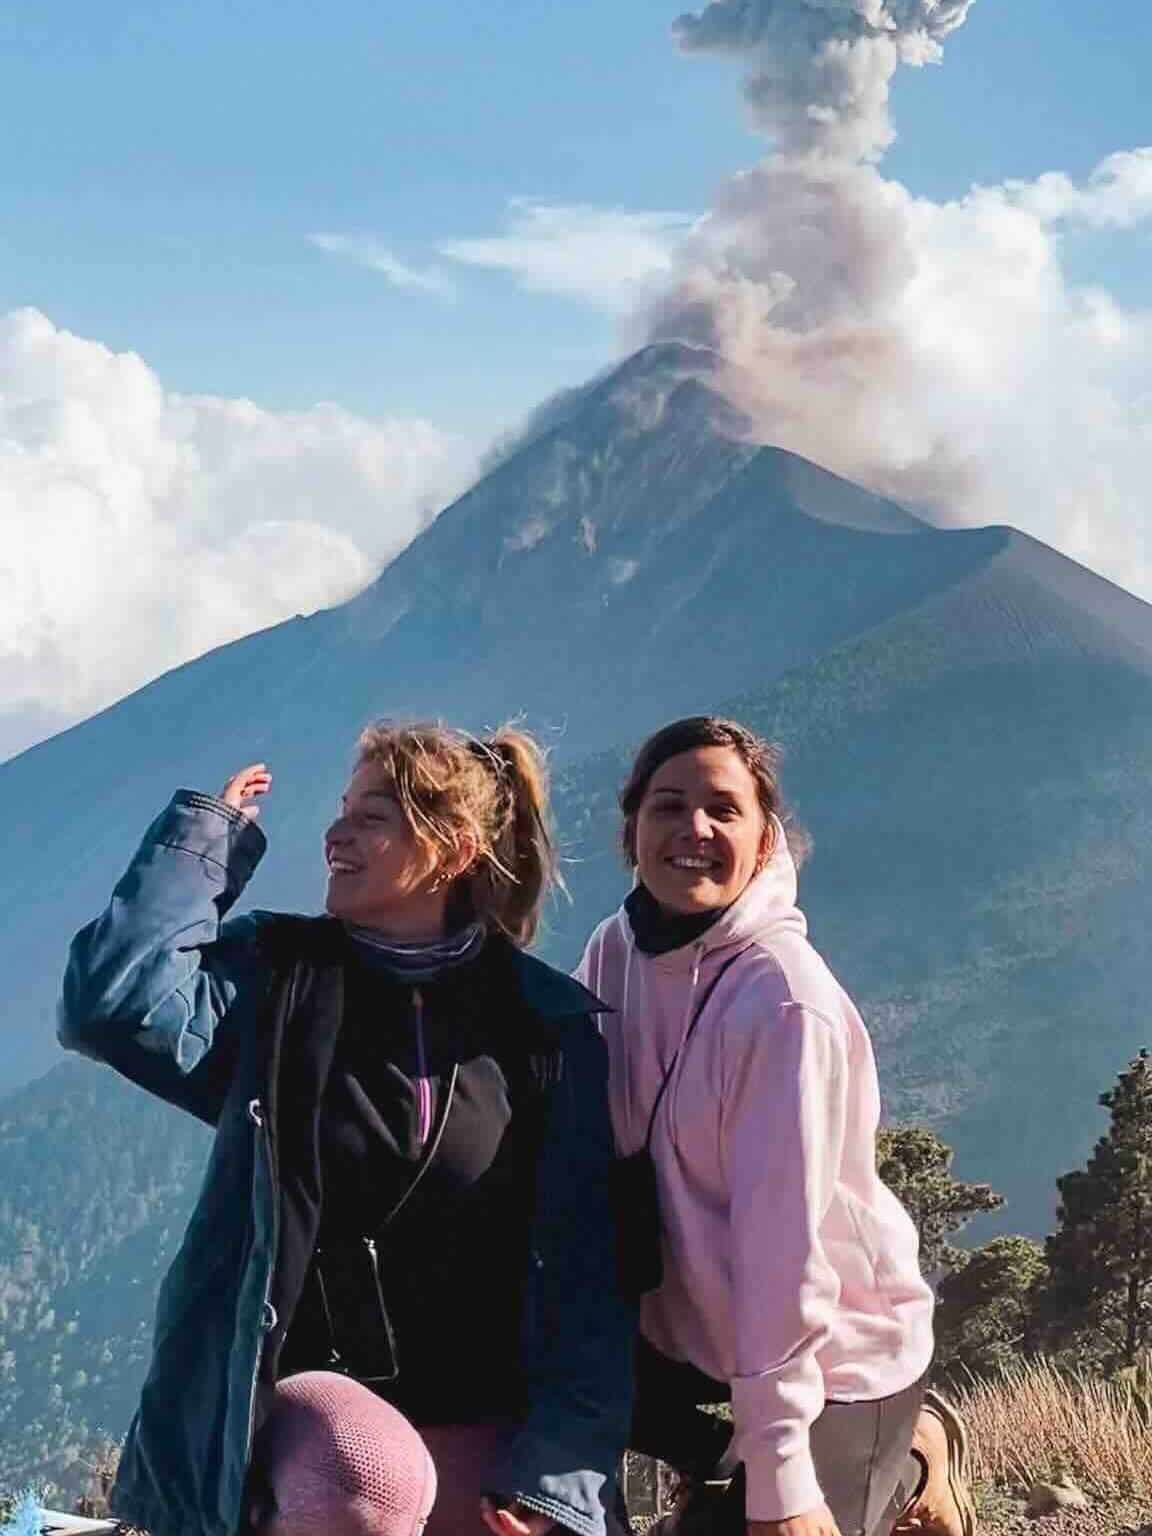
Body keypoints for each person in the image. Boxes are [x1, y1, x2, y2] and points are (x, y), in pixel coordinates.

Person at [59, 722, 632, 1536]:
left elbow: (586, 1275)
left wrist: (557, 1480)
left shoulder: (544, 1027)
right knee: (362, 1475)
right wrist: (203, 846)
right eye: (341, 809)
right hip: (308, 1423)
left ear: (453, 850)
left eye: (373, 816)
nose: (335, 832)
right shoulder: (278, 982)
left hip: (482, 1417)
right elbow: (111, 1003)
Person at [576, 717, 975, 1536]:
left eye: (724, 810)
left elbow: (779, 1252)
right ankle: (730, 1456)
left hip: (830, 1355)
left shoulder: (782, 1003)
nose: (694, 829)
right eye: (668, 805)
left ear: (765, 843)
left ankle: (907, 1455)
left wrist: (783, 1476)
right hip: (689, 1334)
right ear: (632, 831)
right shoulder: (616, 950)